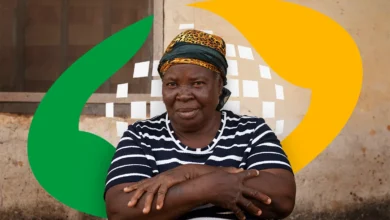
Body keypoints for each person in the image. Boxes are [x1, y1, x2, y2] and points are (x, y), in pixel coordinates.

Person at [104, 30, 296, 220]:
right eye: (172, 84)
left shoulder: (252, 131)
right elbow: (119, 210)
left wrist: (190, 172)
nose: (184, 95)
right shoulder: (141, 136)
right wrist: (209, 188)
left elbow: (283, 198)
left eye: (197, 83)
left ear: (219, 86)